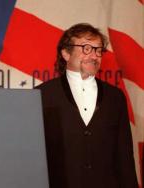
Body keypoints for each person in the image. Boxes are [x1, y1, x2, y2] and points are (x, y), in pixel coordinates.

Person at [36, 23, 138, 188]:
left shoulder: (115, 97)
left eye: (98, 50)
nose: (94, 56)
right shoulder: (41, 95)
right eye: (86, 48)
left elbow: (124, 156)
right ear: (66, 53)